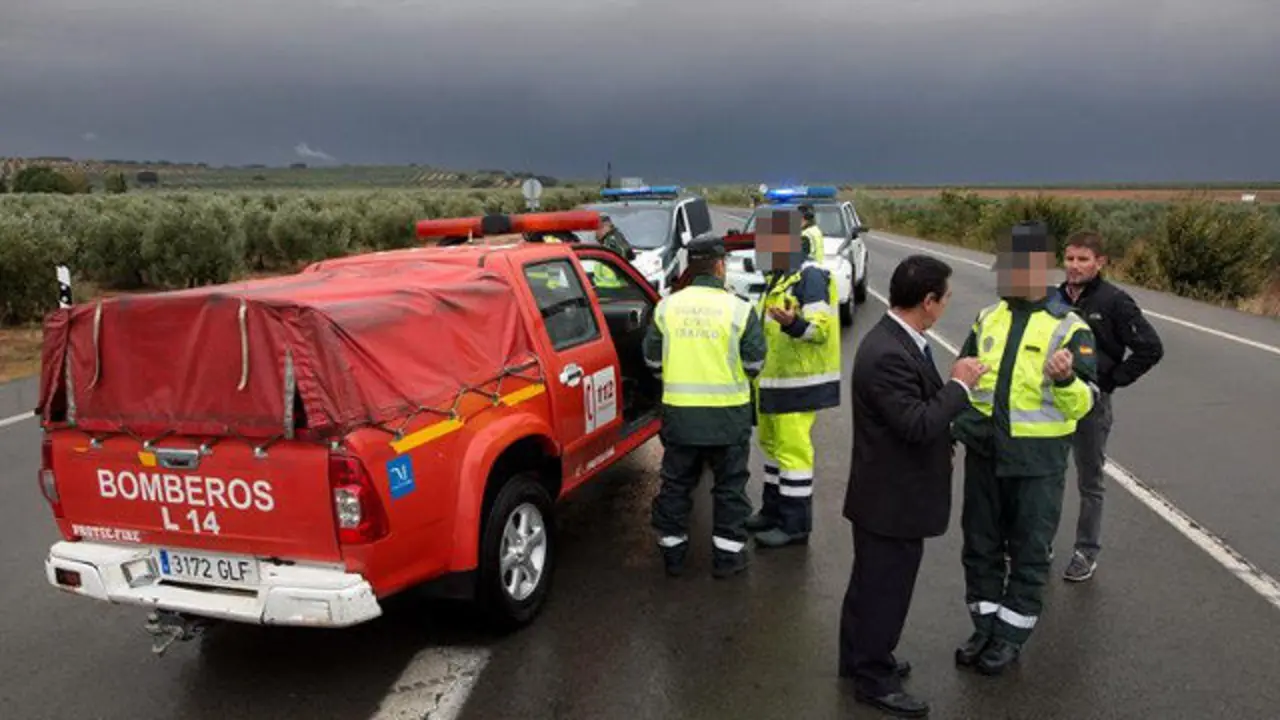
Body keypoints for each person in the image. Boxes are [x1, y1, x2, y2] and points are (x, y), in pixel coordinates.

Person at [840, 255, 987, 718]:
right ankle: (873, 677)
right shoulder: (887, 354)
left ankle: (858, 657)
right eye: (944, 299)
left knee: (869, 584)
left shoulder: (902, 341)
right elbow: (918, 423)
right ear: (927, 301)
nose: (945, 307)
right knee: (885, 589)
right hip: (891, 499)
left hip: (886, 494)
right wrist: (959, 387)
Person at [952, 220, 1099, 676]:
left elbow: (1085, 403)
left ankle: (1011, 637)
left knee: (1030, 552)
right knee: (980, 546)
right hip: (985, 456)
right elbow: (964, 378)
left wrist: (1066, 379)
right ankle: (984, 625)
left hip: (1037, 464)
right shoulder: (986, 318)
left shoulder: (1069, 328)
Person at [642, 234, 768, 578]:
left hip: (680, 417)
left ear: (689, 266)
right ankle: (728, 559)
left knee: (676, 485)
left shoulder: (667, 307)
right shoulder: (739, 308)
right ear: (718, 266)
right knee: (729, 488)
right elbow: (755, 362)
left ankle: (673, 556)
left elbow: (652, 360)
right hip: (728, 418)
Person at [1057, 231, 1163, 582]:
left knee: (1090, 481)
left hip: (1092, 404)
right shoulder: (1052, 299)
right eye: (1069, 258)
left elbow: (1150, 348)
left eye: (1082, 259)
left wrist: (1110, 381)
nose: (1074, 266)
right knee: (1048, 476)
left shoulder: (1115, 301)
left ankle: (1086, 552)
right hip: (1054, 401)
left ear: (1100, 262)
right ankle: (1039, 543)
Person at [744, 209, 841, 548]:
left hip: (797, 385)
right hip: (773, 383)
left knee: (793, 453)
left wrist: (792, 324)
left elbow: (819, 330)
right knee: (771, 449)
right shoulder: (780, 278)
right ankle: (772, 512)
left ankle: (795, 526)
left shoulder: (810, 278)